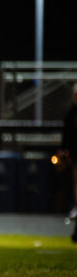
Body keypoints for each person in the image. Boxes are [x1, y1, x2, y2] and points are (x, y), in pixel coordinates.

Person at [59, 83, 77, 241]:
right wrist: (64, 150)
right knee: (75, 182)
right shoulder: (72, 113)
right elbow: (67, 133)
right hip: (75, 154)